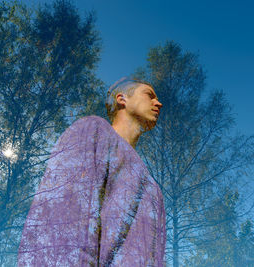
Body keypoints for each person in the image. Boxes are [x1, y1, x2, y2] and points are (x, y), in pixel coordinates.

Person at [18, 77, 165, 266]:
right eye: (149, 95)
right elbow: (63, 217)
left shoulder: (152, 185)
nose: (158, 103)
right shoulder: (93, 131)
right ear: (122, 99)